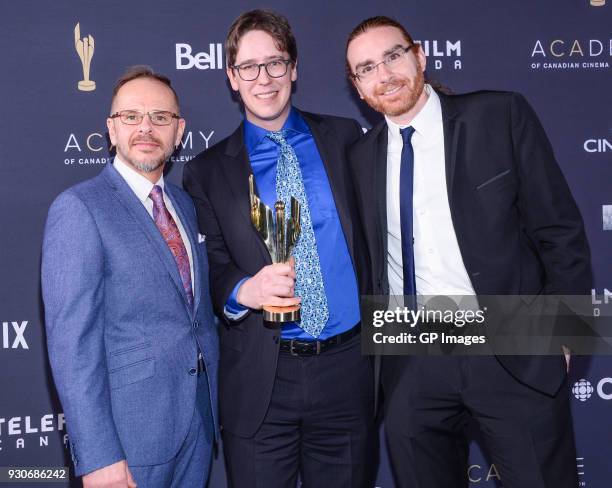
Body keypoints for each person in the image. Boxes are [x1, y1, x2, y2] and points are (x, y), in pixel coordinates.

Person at [345, 16, 592, 488]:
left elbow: (560, 227)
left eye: (393, 56)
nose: (385, 74)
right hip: (408, 347)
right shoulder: (361, 157)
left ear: (419, 55)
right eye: (367, 68)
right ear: (358, 88)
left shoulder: (499, 115)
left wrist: (566, 333)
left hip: (512, 338)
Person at [183, 9, 374, 488]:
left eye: (275, 63)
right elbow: (212, 267)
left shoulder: (346, 139)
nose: (263, 79)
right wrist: (244, 290)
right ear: (231, 77)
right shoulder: (206, 171)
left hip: (348, 371)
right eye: (248, 67)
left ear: (294, 69)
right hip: (262, 382)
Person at [41, 66, 218, 488]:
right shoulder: (79, 208)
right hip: (129, 436)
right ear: (111, 129)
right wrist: (99, 454)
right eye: (131, 117)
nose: (146, 128)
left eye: (161, 117)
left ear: (179, 131)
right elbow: (72, 344)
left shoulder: (183, 203)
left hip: (198, 424)